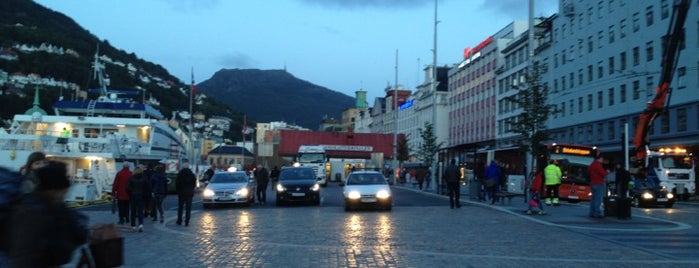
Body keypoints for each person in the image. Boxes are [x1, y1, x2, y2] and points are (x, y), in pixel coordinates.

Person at [5, 161, 89, 267]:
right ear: (53, 190)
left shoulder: (56, 206)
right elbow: (23, 253)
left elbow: (76, 232)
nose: (65, 195)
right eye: (63, 192)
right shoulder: (31, 211)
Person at [126, 166, 148, 232]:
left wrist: (130, 194)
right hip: (141, 196)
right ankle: (140, 225)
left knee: (133, 212)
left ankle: (133, 226)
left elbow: (127, 188)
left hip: (133, 196)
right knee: (140, 212)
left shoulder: (131, 178)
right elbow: (147, 188)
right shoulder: (144, 178)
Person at [176, 162, 197, 226]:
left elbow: (177, 184)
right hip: (189, 193)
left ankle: (179, 220)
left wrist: (178, 191)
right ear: (188, 167)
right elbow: (194, 184)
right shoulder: (191, 174)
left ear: (183, 167)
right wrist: (192, 189)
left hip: (181, 193)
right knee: (188, 208)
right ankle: (187, 221)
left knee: (180, 208)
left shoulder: (180, 174)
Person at [588, 154, 608, 218]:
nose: (602, 161)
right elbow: (603, 173)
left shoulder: (592, 164)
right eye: (602, 159)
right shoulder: (598, 165)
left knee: (593, 199)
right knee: (598, 199)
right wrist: (607, 172)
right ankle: (597, 213)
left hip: (592, 183)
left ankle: (592, 212)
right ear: (600, 158)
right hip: (598, 183)